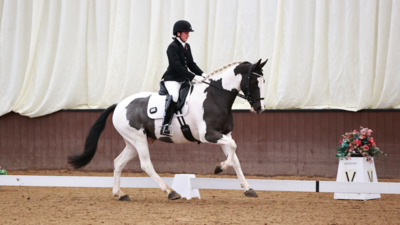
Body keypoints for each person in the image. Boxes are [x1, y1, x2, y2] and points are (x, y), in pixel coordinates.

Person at [160, 20, 206, 136]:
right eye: (186, 33)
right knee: (174, 96)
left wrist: (202, 74)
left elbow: (191, 64)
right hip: (172, 79)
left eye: (188, 33)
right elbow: (177, 67)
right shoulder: (172, 47)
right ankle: (165, 125)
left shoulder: (186, 46)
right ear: (178, 33)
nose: (188, 35)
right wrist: (193, 77)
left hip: (183, 79)